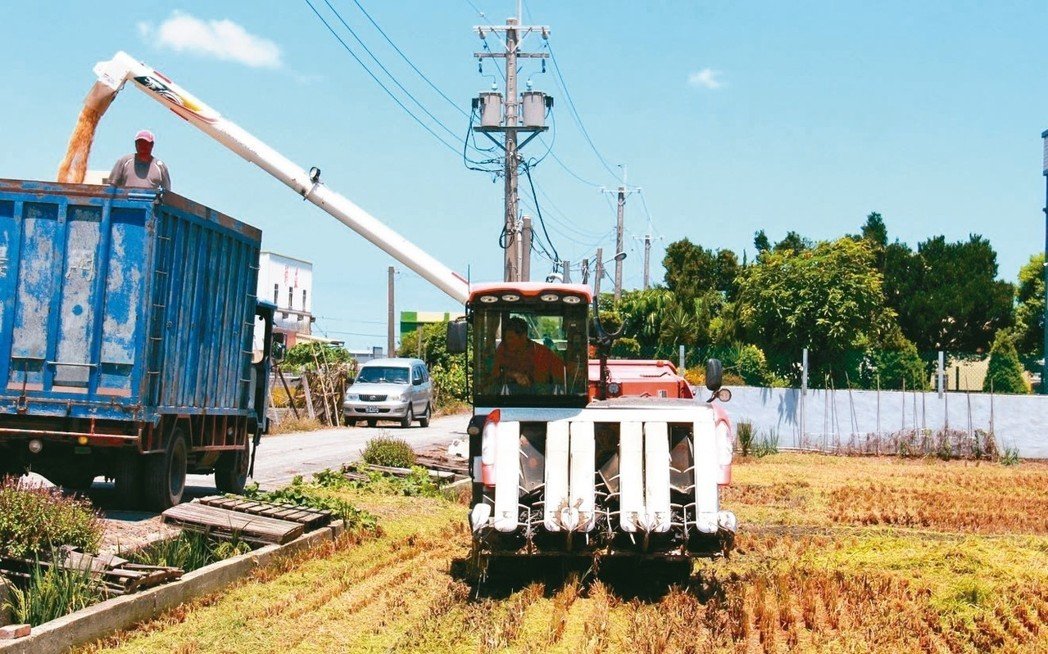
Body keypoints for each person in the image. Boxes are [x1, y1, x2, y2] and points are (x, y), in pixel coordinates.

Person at [492, 316, 565, 390]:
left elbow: (563, 373)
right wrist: (512, 375)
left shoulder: (542, 353)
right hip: (506, 398)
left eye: (511, 338)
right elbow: (493, 374)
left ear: (523, 336)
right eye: (506, 338)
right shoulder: (502, 349)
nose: (508, 341)